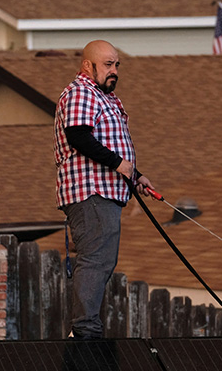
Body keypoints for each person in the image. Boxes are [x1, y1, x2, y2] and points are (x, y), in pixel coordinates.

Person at [53, 40, 155, 339]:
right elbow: (78, 136)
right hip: (90, 193)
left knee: (103, 259)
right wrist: (118, 164)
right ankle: (85, 332)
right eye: (108, 64)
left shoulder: (104, 97)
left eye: (117, 65)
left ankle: (86, 329)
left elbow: (109, 143)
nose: (114, 71)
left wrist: (135, 175)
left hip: (107, 192)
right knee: (96, 259)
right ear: (88, 65)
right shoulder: (80, 92)